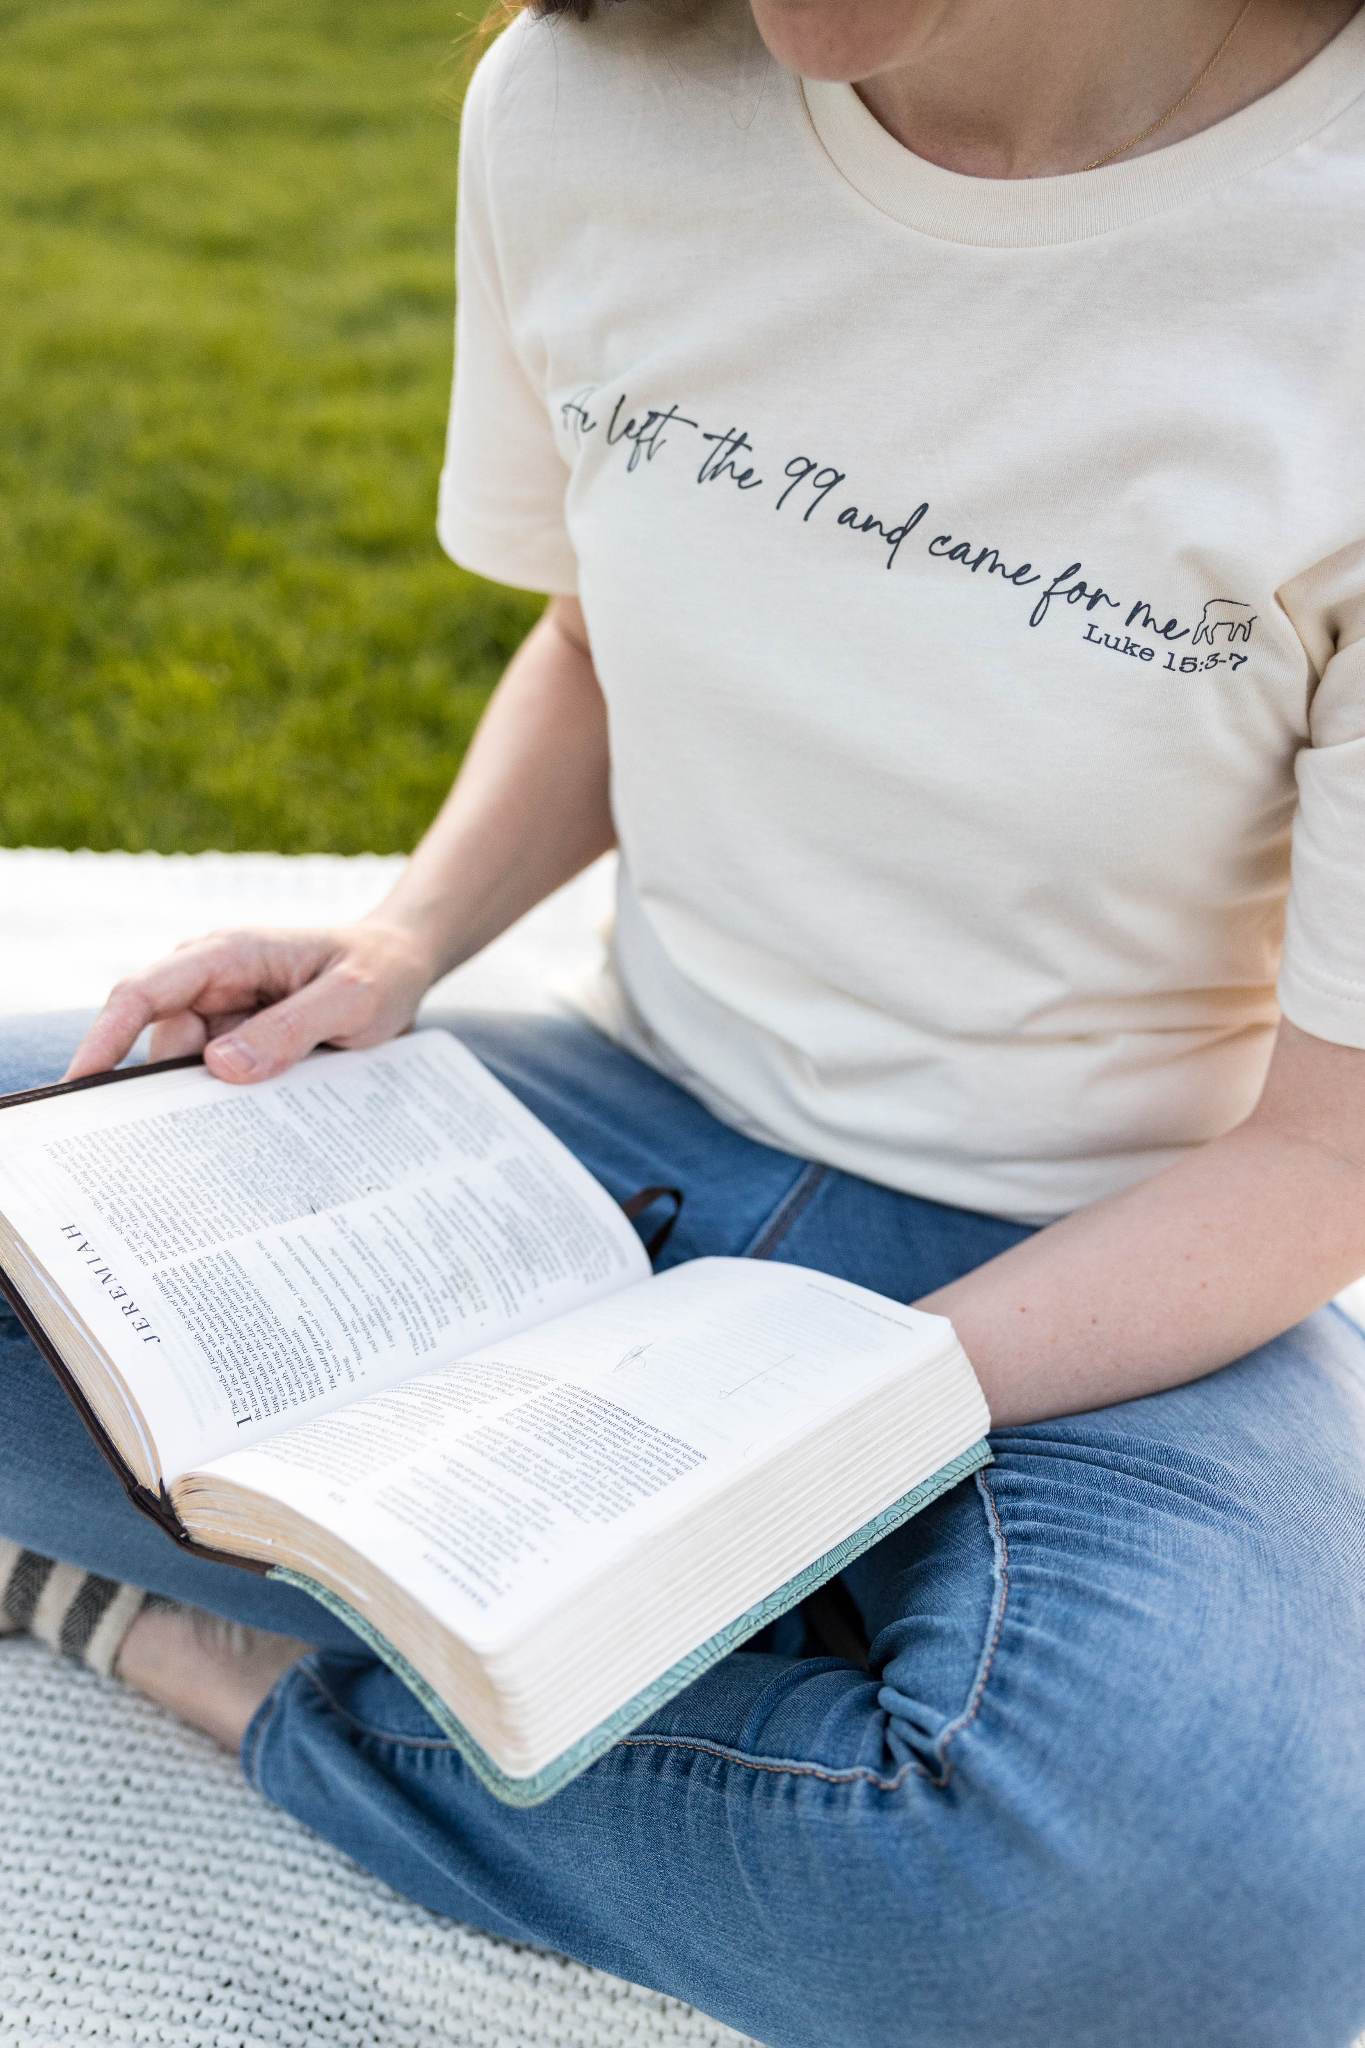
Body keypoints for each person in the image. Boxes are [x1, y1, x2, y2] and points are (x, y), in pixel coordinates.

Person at [3, 1, 1364, 2040]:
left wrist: (808, 1416)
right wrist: (399, 944)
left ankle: (238, 1668)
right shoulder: (586, 97)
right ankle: (705, 1664)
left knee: (1188, 1915)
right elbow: (596, 630)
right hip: (604, 1130)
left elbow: (1326, 1154)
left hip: (1103, 1275)